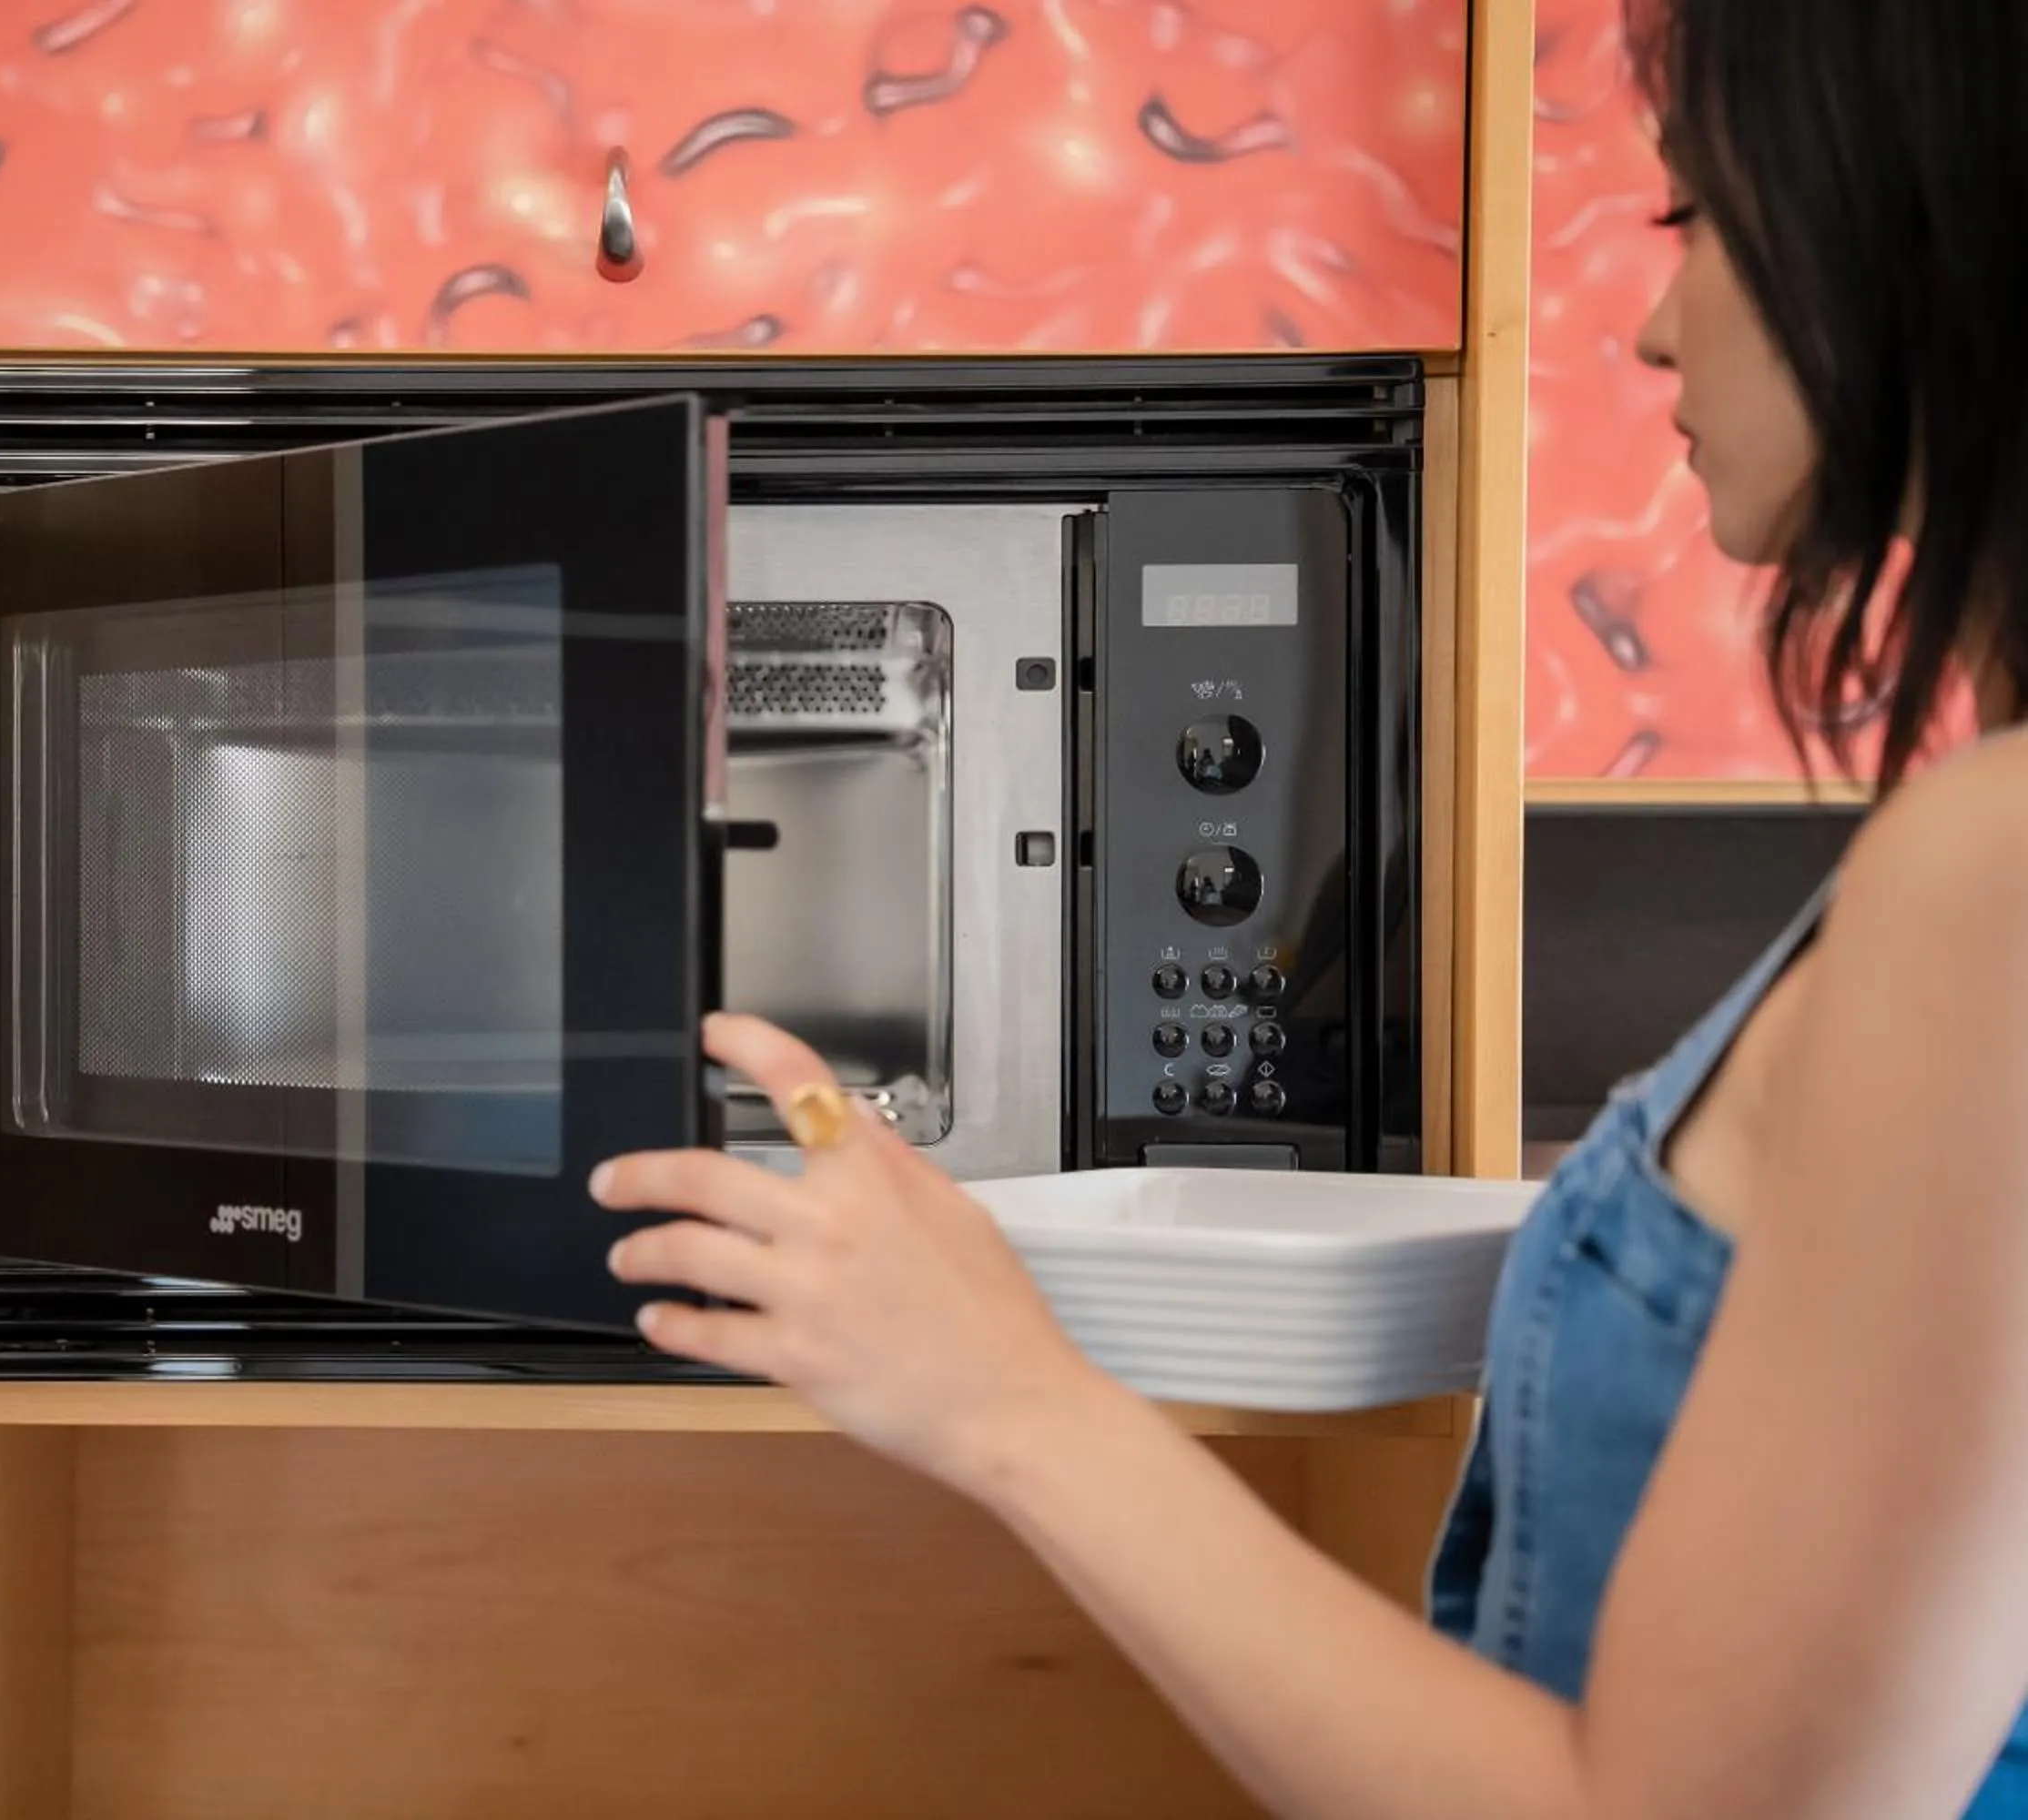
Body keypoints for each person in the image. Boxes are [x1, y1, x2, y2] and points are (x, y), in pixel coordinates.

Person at [590, 0, 2028, 1810]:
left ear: (1906, 234)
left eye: (1696, 222)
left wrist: (1001, 1391)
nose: (1658, 319)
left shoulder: (1986, 880)